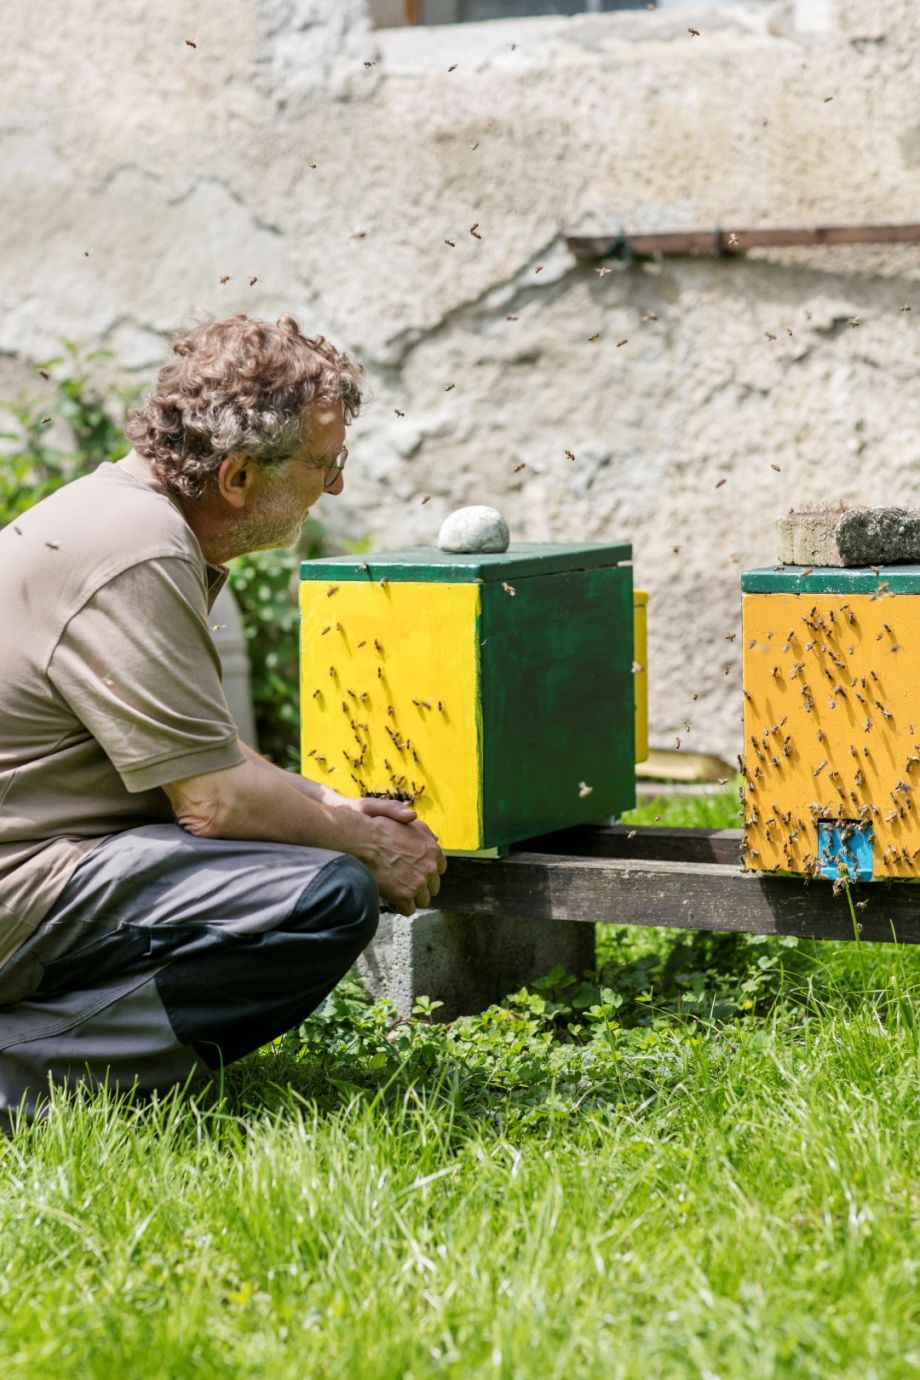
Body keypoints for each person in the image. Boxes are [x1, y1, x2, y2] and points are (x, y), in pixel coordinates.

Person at [0, 314, 445, 1128]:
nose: (335, 488)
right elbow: (214, 801)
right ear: (238, 475)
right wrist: (368, 843)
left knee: (309, 860)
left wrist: (329, 805)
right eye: (326, 464)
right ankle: (20, 1079)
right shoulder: (138, 548)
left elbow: (199, 747)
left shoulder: (123, 515)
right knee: (320, 898)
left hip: (35, 865)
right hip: (18, 882)